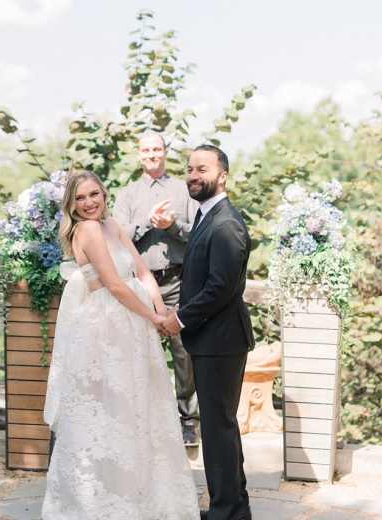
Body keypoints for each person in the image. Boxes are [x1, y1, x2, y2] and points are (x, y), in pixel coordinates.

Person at [42, 170, 199, 519]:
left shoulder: (111, 224)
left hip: (135, 321)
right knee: (110, 408)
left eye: (93, 194)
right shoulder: (87, 230)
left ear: (103, 193)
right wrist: (153, 318)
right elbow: (114, 284)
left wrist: (161, 310)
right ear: (71, 204)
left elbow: (142, 272)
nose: (88, 203)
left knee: (141, 404)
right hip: (107, 326)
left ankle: (145, 493)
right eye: (80, 198)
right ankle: (104, 500)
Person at [161, 145, 255, 520]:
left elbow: (221, 287)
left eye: (202, 168)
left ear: (223, 175)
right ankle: (233, 508)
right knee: (220, 430)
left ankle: (225, 512)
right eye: (189, 169)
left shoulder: (227, 223)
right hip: (211, 341)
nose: (193, 175)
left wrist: (180, 318)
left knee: (219, 431)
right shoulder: (205, 216)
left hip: (222, 341)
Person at [113, 132, 200, 445]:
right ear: (139, 154)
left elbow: (198, 236)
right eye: (145, 149)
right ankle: (142, 420)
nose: (151, 154)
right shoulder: (127, 195)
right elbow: (117, 240)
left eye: (157, 148)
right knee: (139, 351)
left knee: (183, 353)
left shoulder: (183, 190)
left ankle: (188, 421)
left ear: (166, 152)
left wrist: (172, 226)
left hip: (178, 281)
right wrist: (149, 223)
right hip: (139, 284)